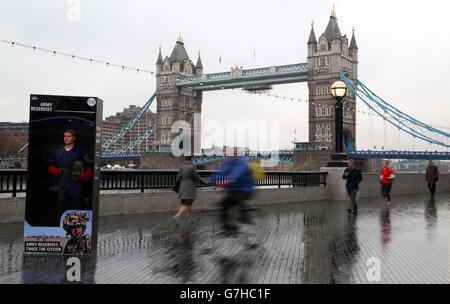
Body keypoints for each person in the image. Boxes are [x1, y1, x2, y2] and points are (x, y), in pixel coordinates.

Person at [48, 129, 93, 217]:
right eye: (65, 136)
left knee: (75, 206)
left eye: (69, 136)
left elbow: (90, 166)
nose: (66, 138)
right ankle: (61, 227)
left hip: (76, 184)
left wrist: (83, 176)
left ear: (74, 138)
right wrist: (56, 171)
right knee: (61, 206)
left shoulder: (81, 152)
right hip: (61, 183)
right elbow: (50, 166)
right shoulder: (57, 152)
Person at [212, 155, 255, 234]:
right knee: (226, 203)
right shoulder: (229, 162)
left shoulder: (242, 163)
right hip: (235, 190)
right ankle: (233, 224)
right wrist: (214, 180)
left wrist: (225, 182)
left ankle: (233, 226)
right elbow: (222, 172)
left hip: (244, 190)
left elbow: (236, 175)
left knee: (225, 204)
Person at [172, 155, 208, 226]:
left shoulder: (182, 166)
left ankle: (190, 219)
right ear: (191, 158)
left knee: (187, 203)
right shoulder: (192, 166)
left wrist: (175, 186)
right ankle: (177, 216)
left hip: (182, 186)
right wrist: (205, 183)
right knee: (188, 202)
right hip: (189, 187)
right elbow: (197, 177)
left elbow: (178, 177)